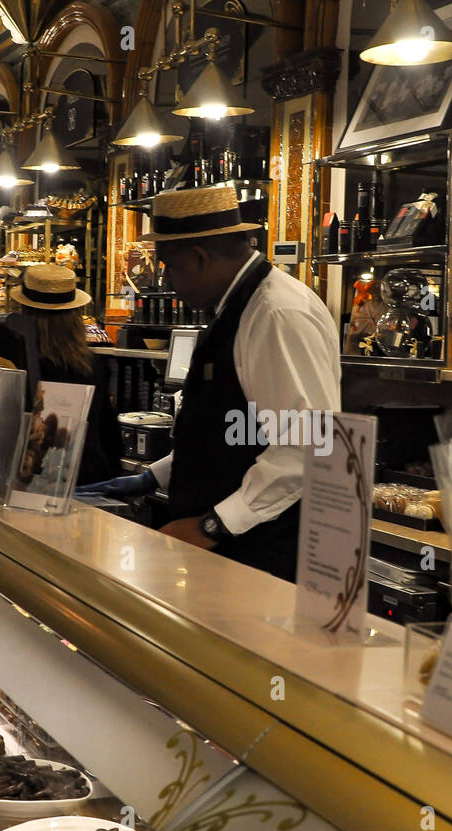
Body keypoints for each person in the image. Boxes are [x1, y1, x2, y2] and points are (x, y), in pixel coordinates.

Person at [80, 186, 341, 582]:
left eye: (169, 266)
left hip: (260, 553)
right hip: (230, 546)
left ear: (199, 258)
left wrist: (213, 525)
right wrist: (156, 475)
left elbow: (308, 442)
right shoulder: (239, 306)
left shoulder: (276, 313)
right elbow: (232, 430)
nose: (168, 280)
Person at [7, 264, 122, 486]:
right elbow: (109, 435)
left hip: (36, 481)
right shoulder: (91, 363)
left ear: (25, 311)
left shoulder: (17, 359)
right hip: (89, 477)